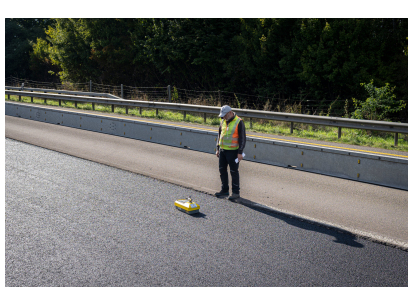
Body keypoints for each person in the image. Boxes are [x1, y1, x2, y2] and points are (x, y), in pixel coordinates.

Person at [215, 105, 246, 200]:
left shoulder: (239, 122)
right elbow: (219, 135)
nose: (223, 117)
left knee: (234, 172)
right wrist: (217, 148)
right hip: (223, 150)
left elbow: (243, 138)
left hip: (233, 152)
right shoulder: (223, 121)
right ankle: (224, 190)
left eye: (224, 115)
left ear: (230, 113)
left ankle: (236, 192)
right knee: (222, 170)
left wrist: (240, 152)